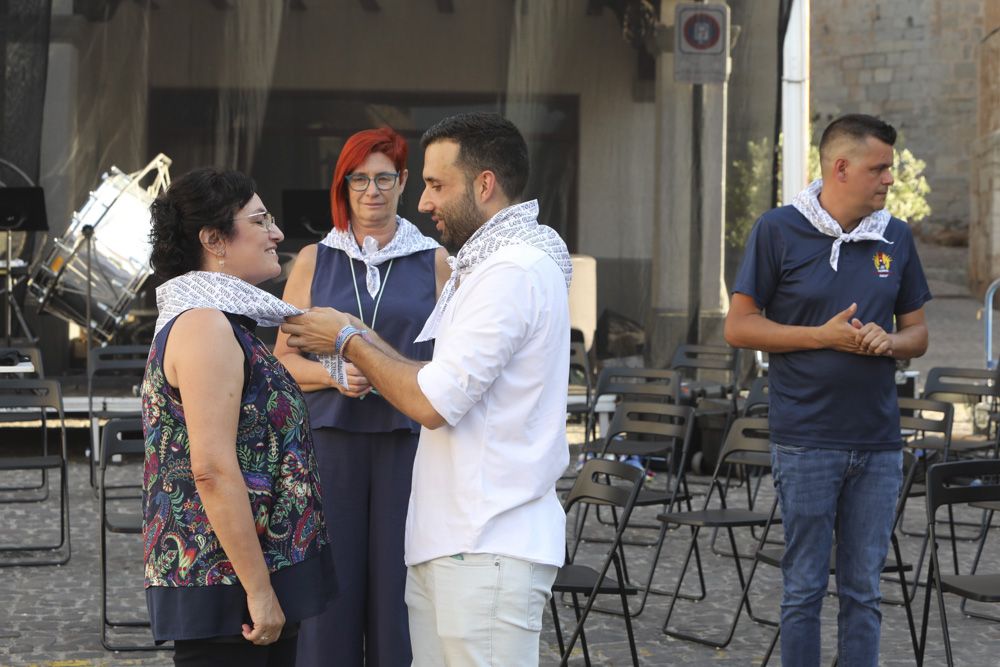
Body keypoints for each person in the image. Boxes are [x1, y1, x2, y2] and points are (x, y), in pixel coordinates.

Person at [281, 111, 573, 666]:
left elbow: (431, 400)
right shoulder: (486, 268)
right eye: (360, 179)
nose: (422, 201)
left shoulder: (507, 272)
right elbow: (433, 377)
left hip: (486, 543)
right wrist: (356, 346)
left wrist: (347, 338)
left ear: (484, 185)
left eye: (434, 185)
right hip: (457, 539)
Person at [724, 113, 931, 666]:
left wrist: (890, 341)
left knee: (865, 591)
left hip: (879, 442)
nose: (890, 179)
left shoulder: (896, 235)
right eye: (879, 167)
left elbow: (919, 335)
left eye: (890, 167)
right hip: (806, 439)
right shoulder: (777, 229)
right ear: (841, 167)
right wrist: (820, 336)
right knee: (805, 589)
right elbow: (739, 326)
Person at [141, 168, 336, 666]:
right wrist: (259, 591)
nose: (276, 233)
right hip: (231, 588)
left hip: (252, 576)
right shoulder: (204, 323)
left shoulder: (229, 319)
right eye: (260, 219)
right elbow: (210, 468)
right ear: (214, 240)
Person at [273, 127, 448, 667]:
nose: (372, 191)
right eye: (360, 180)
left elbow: (450, 362)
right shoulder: (312, 259)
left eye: (384, 178)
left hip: (407, 442)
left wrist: (392, 371)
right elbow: (281, 360)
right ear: (344, 186)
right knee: (334, 587)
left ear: (402, 183)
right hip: (332, 441)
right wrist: (333, 376)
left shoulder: (436, 260)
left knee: (400, 585)